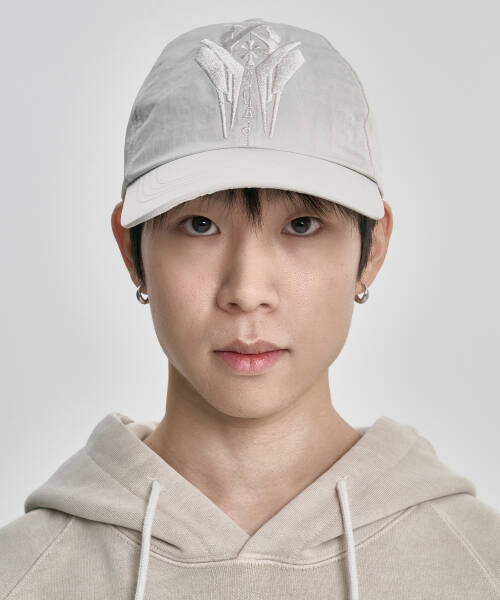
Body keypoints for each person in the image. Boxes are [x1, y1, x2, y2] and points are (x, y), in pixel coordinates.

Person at [1, 16, 499, 600]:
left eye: (302, 224)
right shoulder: (22, 573)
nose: (247, 290)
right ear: (132, 250)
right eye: (199, 224)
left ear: (372, 249)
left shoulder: (480, 565)